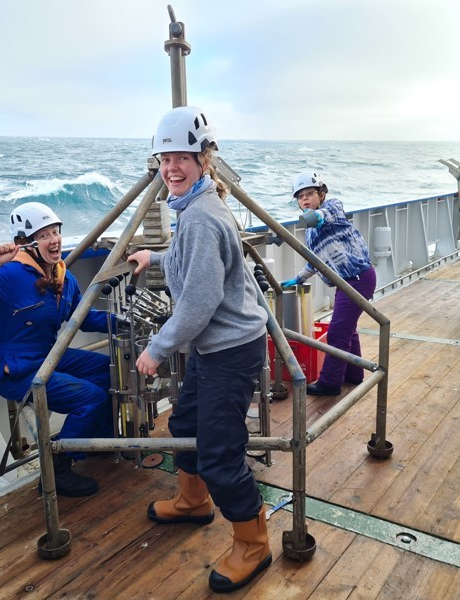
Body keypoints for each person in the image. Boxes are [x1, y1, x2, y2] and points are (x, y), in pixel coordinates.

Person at [127, 106, 273, 593]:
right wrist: (155, 255)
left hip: (230, 350)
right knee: (184, 423)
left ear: (204, 160)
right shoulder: (195, 211)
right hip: (218, 348)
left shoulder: (202, 218)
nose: (171, 167)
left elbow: (201, 300)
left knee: (219, 453)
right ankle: (193, 503)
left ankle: (254, 543)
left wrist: (158, 348)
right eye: (164, 158)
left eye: (182, 158)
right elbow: (192, 261)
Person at [0, 201, 113, 497]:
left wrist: (122, 321)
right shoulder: (7, 275)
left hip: (48, 358)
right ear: (26, 243)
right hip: (15, 370)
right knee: (91, 396)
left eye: (56, 232)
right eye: (46, 234)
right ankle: (58, 469)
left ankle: (93, 441)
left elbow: (82, 318)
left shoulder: (63, 276)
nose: (55, 240)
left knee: (106, 370)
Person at [286, 172, 376, 396]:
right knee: (348, 329)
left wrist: (312, 217)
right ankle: (354, 374)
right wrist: (298, 279)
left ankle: (330, 383)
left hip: (358, 278)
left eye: (309, 194)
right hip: (344, 281)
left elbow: (322, 216)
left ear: (321, 194)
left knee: (337, 332)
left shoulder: (333, 207)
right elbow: (316, 261)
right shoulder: (310, 232)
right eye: (300, 197)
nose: (305, 199)